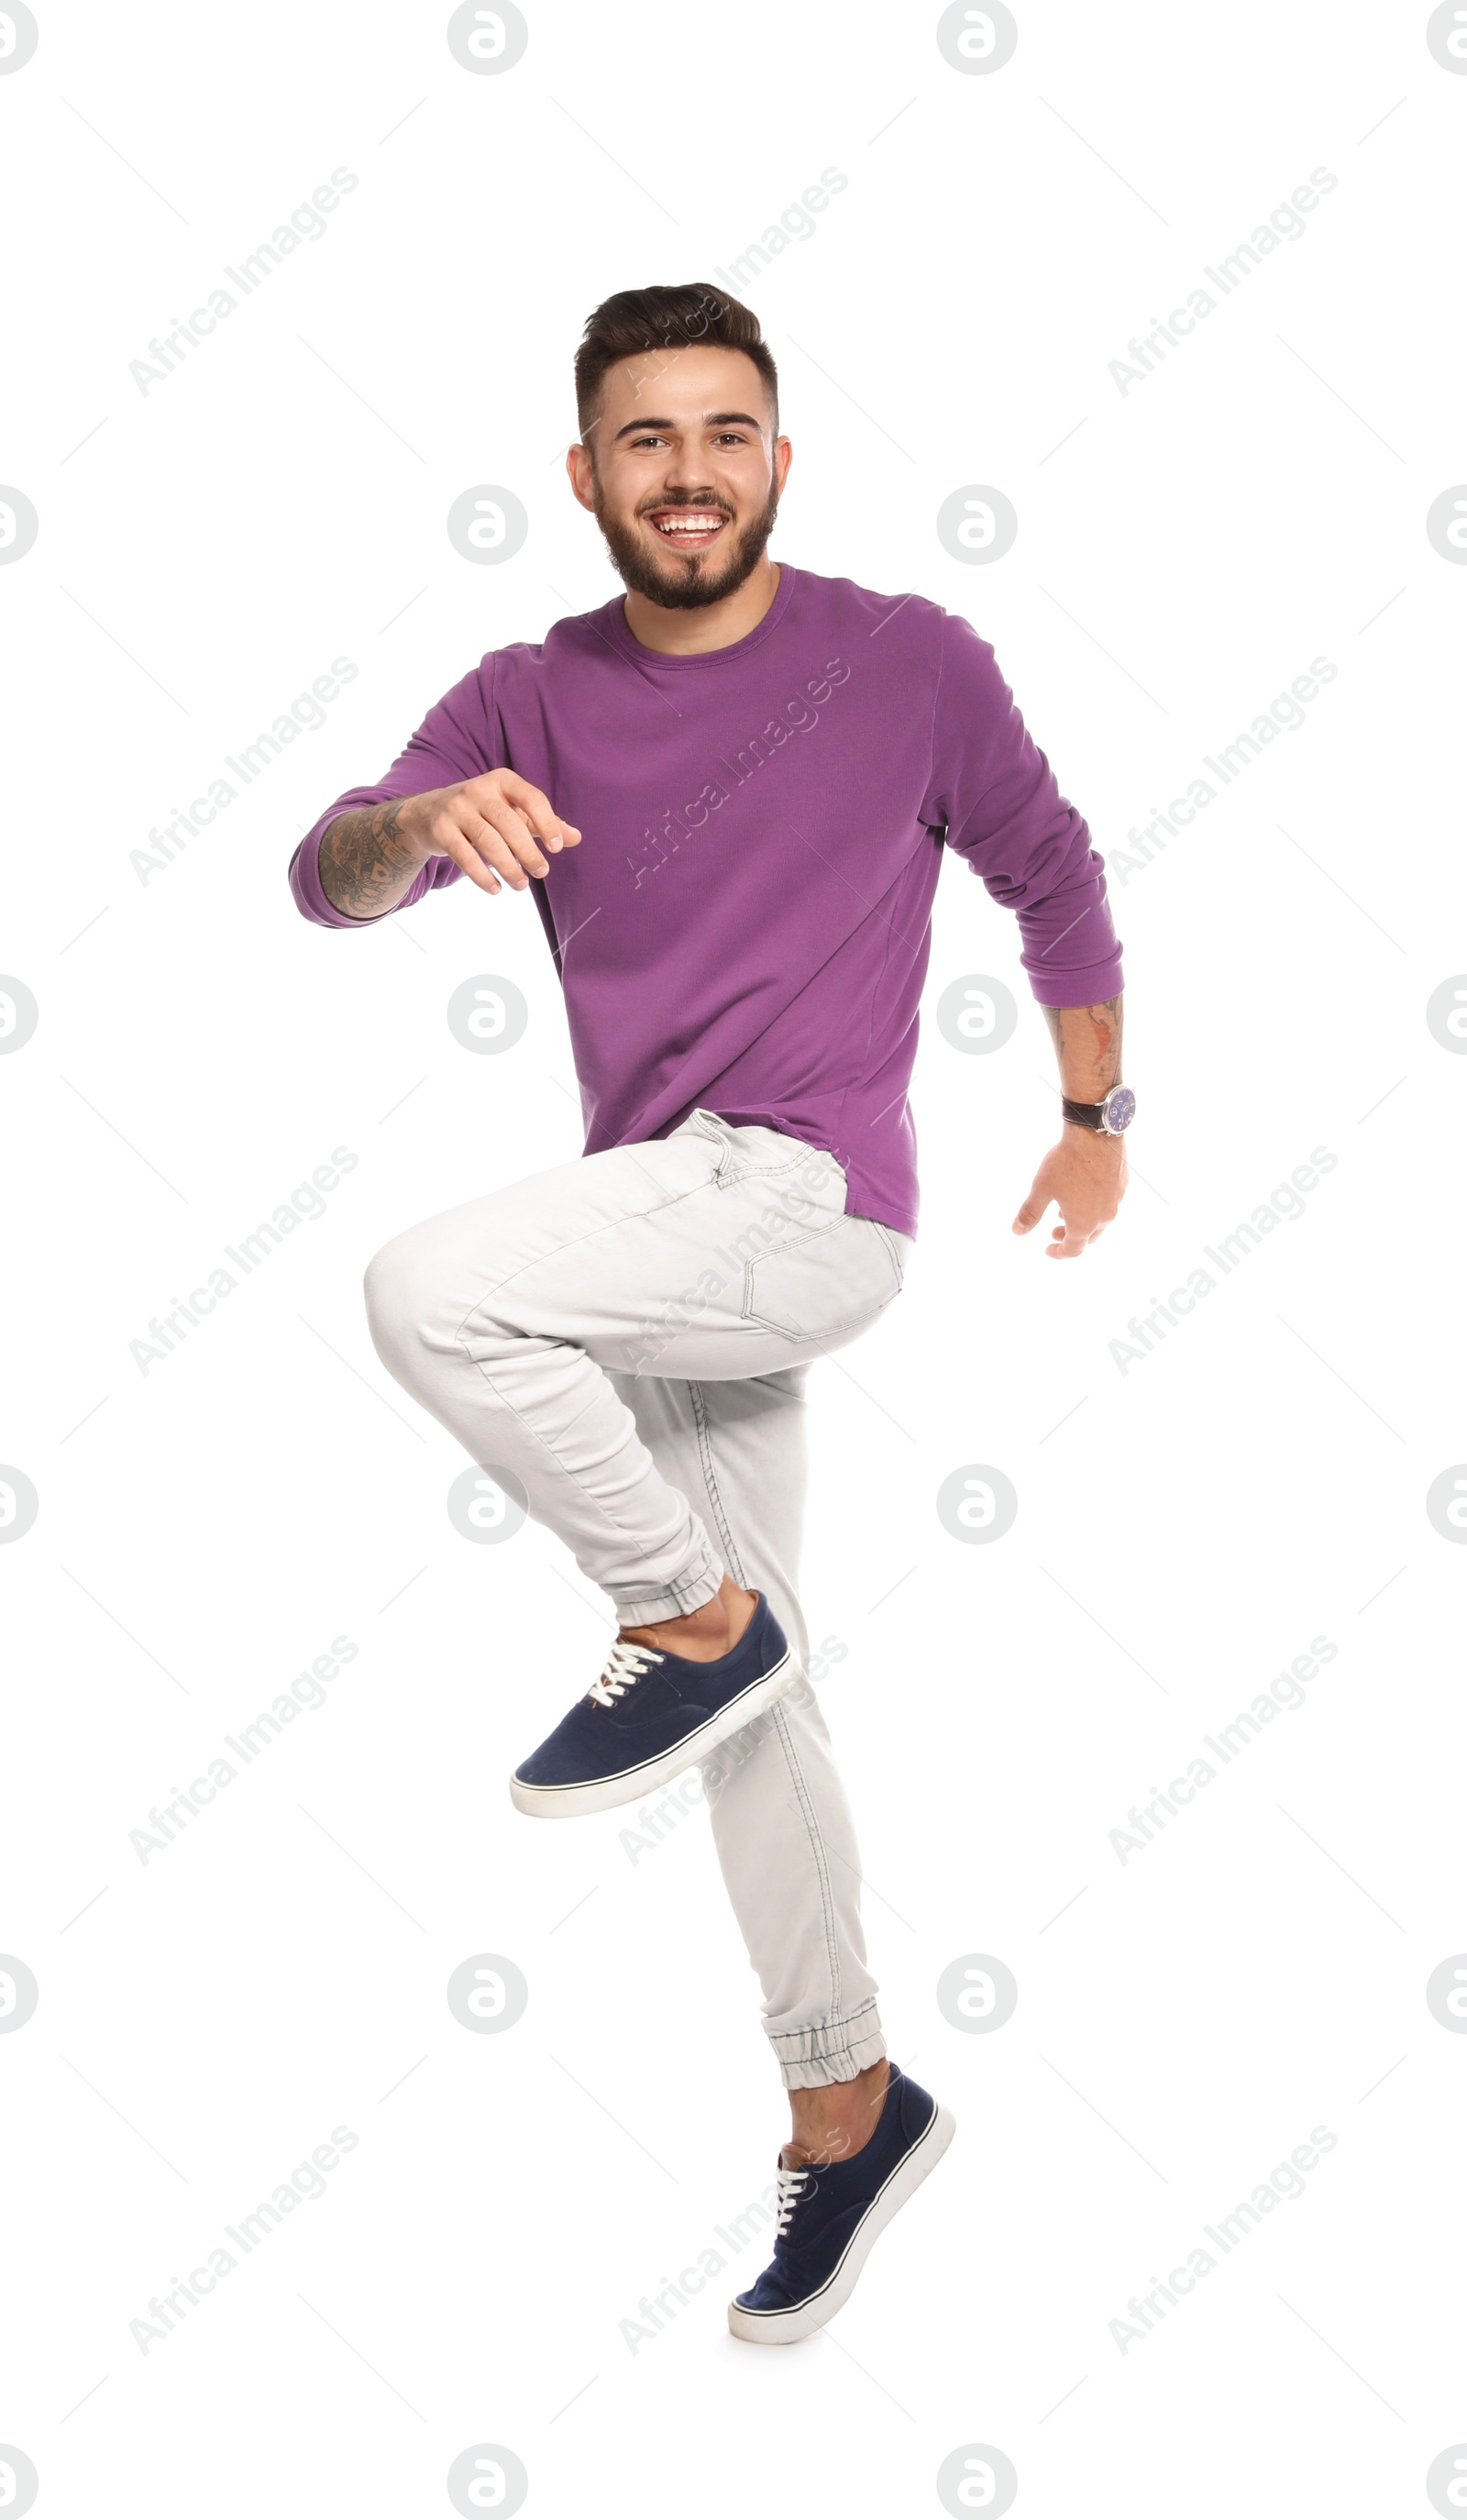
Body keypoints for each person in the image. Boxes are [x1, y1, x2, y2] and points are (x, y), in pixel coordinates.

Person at [288, 282, 1131, 2345]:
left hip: (801, 1197)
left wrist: (1093, 1113)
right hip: (666, 1252)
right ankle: (844, 2101)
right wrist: (417, 825)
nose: (688, 473)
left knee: (429, 1291)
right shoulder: (527, 690)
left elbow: (1051, 867)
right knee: (760, 1726)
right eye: (645, 441)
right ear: (585, 478)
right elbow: (327, 876)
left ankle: (677, 1610)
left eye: (725, 432)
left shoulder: (903, 662)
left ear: (778, 455)